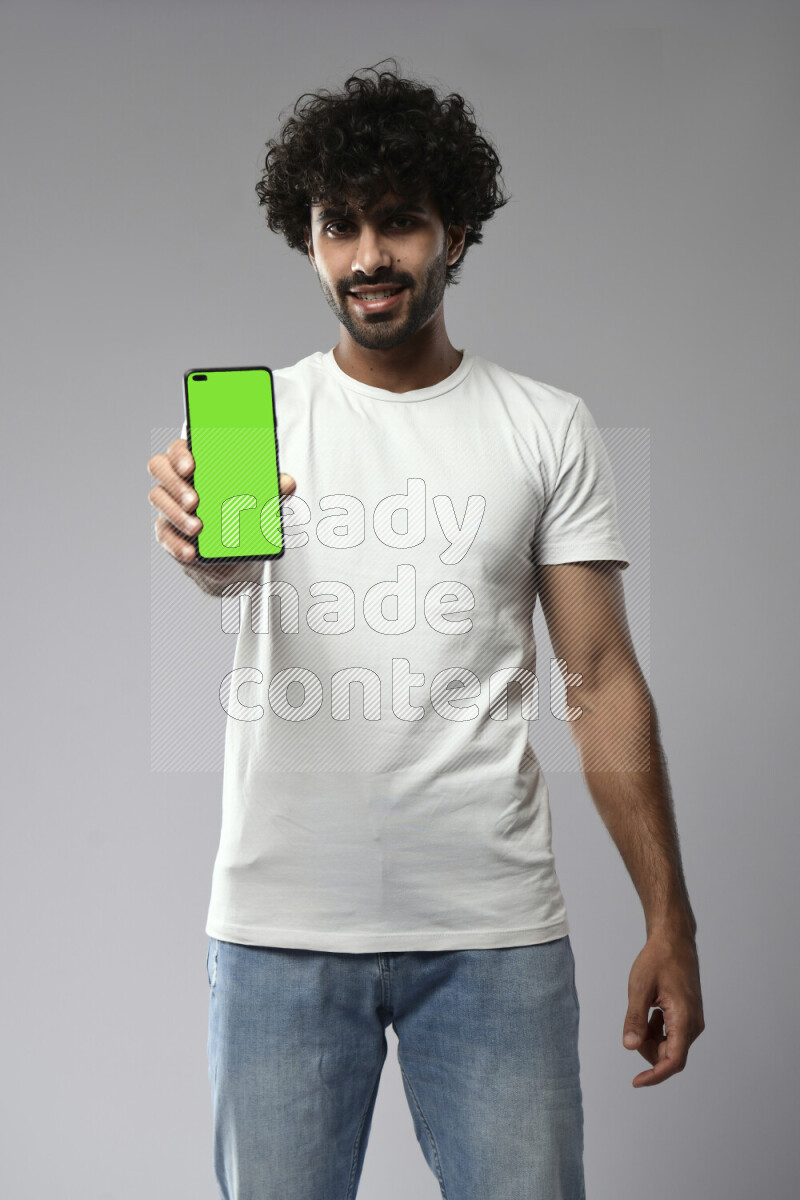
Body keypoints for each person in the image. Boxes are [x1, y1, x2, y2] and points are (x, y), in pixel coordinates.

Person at [148, 59, 704, 1200]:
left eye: (398, 223)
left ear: (457, 231)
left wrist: (667, 919)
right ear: (305, 240)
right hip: (278, 933)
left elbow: (598, 678)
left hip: (493, 937)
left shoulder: (545, 426)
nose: (367, 258)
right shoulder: (262, 418)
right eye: (337, 227)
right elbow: (223, 565)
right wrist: (205, 548)